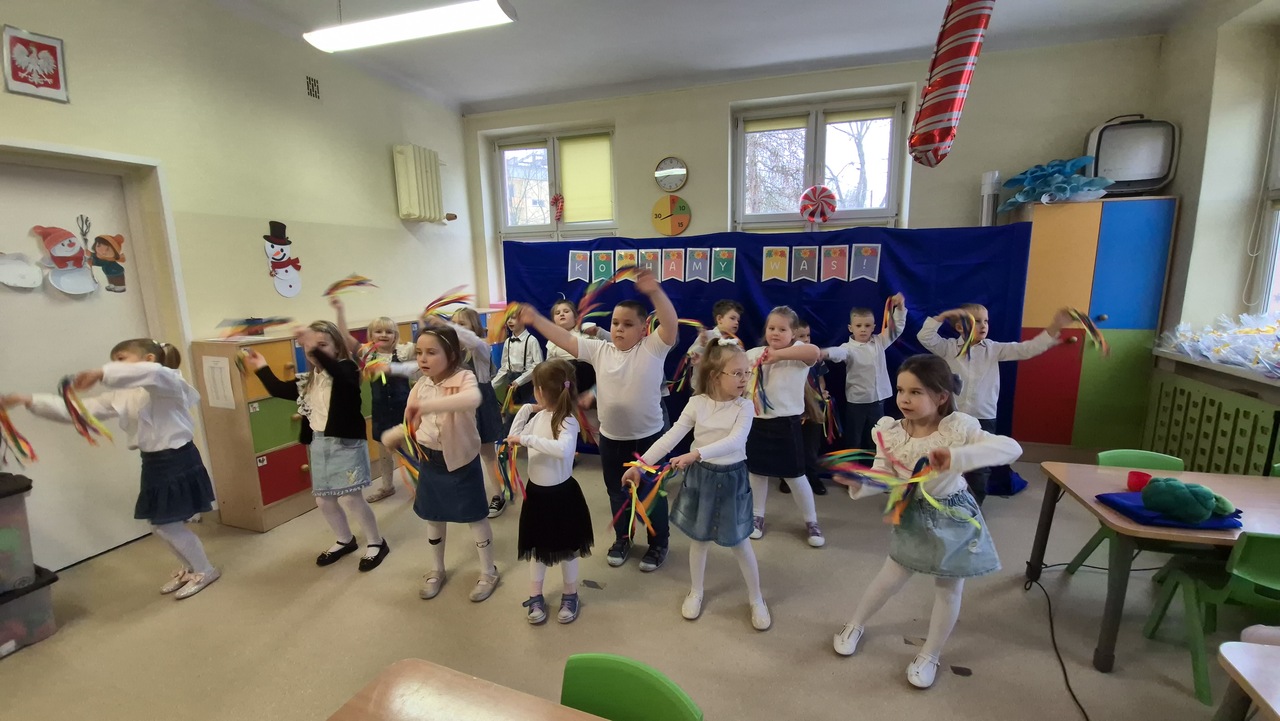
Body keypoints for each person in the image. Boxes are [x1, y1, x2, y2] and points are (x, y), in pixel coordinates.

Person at [832, 354, 1021, 689]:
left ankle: (930, 654)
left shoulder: (959, 427)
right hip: (913, 514)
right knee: (889, 578)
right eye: (901, 390)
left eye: (916, 392)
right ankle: (855, 623)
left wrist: (957, 457)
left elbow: (1010, 448)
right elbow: (885, 475)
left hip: (953, 516)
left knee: (948, 589)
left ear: (941, 396)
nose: (904, 399)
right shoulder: (890, 432)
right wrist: (861, 482)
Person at [3, 339, 219, 599]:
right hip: (154, 463)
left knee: (167, 526)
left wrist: (101, 373)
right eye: (114, 361)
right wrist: (29, 400)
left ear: (149, 359)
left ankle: (205, 569)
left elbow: (154, 373)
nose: (115, 365)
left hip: (178, 460)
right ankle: (191, 568)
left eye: (121, 359)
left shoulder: (169, 381)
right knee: (160, 526)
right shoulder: (124, 394)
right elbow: (81, 411)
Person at [521, 268, 677, 572]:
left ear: (644, 328)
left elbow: (670, 323)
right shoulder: (600, 350)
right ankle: (623, 538)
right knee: (617, 492)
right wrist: (536, 319)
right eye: (615, 323)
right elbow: (565, 339)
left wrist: (655, 292)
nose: (619, 329)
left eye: (627, 324)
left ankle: (659, 542)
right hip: (612, 439)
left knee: (650, 494)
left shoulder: (654, 348)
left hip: (648, 439)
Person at [625, 341, 769, 630]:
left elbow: (736, 441)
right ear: (715, 375)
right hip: (702, 478)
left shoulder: (744, 407)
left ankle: (756, 598)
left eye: (747, 372)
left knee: (740, 542)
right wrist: (641, 465)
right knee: (699, 539)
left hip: (731, 478)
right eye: (737, 373)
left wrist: (695, 454)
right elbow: (671, 436)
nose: (744, 378)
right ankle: (696, 591)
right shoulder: (697, 403)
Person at [247, 322, 390, 571]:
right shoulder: (310, 381)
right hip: (320, 444)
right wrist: (261, 366)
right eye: (310, 347)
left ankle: (377, 542)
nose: (314, 351)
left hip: (345, 444)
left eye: (322, 345)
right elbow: (279, 388)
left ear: (337, 348)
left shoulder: (347, 370)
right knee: (324, 501)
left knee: (351, 498)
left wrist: (313, 346)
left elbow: (339, 374)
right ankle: (344, 539)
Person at [382, 325, 500, 602]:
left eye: (431, 352)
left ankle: (488, 571)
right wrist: (397, 434)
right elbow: (412, 422)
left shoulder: (465, 378)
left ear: (451, 355)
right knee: (433, 516)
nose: (423, 359)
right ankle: (437, 568)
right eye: (419, 352)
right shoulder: (420, 386)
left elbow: (472, 399)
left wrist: (427, 406)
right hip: (430, 460)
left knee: (475, 517)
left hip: (461, 462)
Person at [917, 303, 1068, 504]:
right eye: (977, 321)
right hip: (952, 416)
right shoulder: (948, 348)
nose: (983, 325)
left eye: (986, 321)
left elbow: (1027, 349)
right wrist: (942, 316)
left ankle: (973, 505)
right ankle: (940, 499)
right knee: (945, 458)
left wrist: (1055, 326)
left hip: (983, 417)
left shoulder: (993, 349)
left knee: (979, 466)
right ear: (960, 327)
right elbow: (925, 336)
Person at [507, 359, 593, 624]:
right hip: (537, 496)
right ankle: (535, 595)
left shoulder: (568, 421)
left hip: (562, 497)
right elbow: (514, 437)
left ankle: (570, 593)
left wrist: (527, 439)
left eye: (535, 387)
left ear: (541, 391)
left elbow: (563, 450)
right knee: (538, 549)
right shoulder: (538, 417)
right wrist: (525, 411)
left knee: (568, 549)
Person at [745, 306, 825, 547]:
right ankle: (757, 516)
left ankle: (811, 521)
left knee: (796, 476)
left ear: (793, 333)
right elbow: (732, 363)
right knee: (756, 473)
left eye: (782, 329)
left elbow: (814, 352)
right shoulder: (755, 353)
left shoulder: (798, 353)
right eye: (771, 328)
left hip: (786, 425)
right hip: (757, 423)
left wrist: (778, 356)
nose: (775, 333)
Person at [424, 308, 506, 518]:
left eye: (462, 324)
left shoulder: (480, 348)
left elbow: (472, 341)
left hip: (481, 405)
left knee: (487, 453)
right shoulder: (450, 353)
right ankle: (467, 494)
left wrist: (445, 324)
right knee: (462, 453)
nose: (456, 327)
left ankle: (498, 494)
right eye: (454, 322)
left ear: (474, 328)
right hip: (459, 407)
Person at [332, 298, 415, 503]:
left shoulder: (404, 351)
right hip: (381, 411)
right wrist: (340, 310)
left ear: (396, 335)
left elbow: (426, 351)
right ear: (371, 335)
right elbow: (344, 337)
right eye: (379, 331)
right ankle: (387, 486)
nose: (384, 335)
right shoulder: (368, 354)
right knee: (384, 451)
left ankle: (420, 486)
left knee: (409, 450)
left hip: (403, 409)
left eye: (389, 332)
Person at [823, 294, 907, 451]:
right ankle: (851, 464)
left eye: (867, 326)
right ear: (851, 328)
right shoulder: (848, 348)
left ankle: (876, 462)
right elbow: (838, 353)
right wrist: (825, 353)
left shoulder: (880, 341)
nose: (863, 329)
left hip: (878, 400)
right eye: (859, 325)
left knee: (877, 437)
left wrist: (900, 307)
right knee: (854, 437)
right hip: (857, 402)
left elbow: (897, 328)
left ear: (873, 327)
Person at [493, 309, 543, 430]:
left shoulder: (531, 340)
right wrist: (492, 385)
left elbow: (538, 365)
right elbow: (505, 367)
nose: (510, 321)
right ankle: (509, 439)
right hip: (511, 383)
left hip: (526, 383)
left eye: (514, 318)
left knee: (527, 414)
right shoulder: (508, 342)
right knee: (509, 416)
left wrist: (519, 381)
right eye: (508, 318)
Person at [685, 299, 744, 392]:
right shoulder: (707, 336)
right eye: (732, 318)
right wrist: (701, 346)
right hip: (703, 387)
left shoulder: (735, 343)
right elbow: (691, 357)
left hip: (723, 389)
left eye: (738, 320)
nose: (736, 322)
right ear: (719, 319)